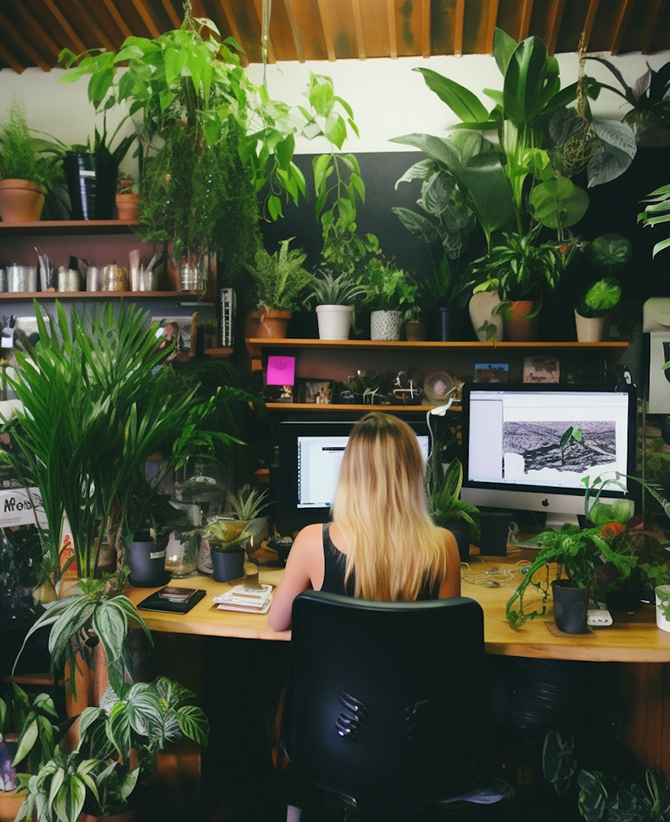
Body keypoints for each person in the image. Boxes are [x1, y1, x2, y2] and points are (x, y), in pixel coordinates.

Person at [268, 411, 461, 632]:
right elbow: (449, 632)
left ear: (349, 473)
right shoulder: (444, 546)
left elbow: (277, 622)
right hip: (415, 667)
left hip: (336, 668)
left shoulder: (311, 542)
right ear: (415, 473)